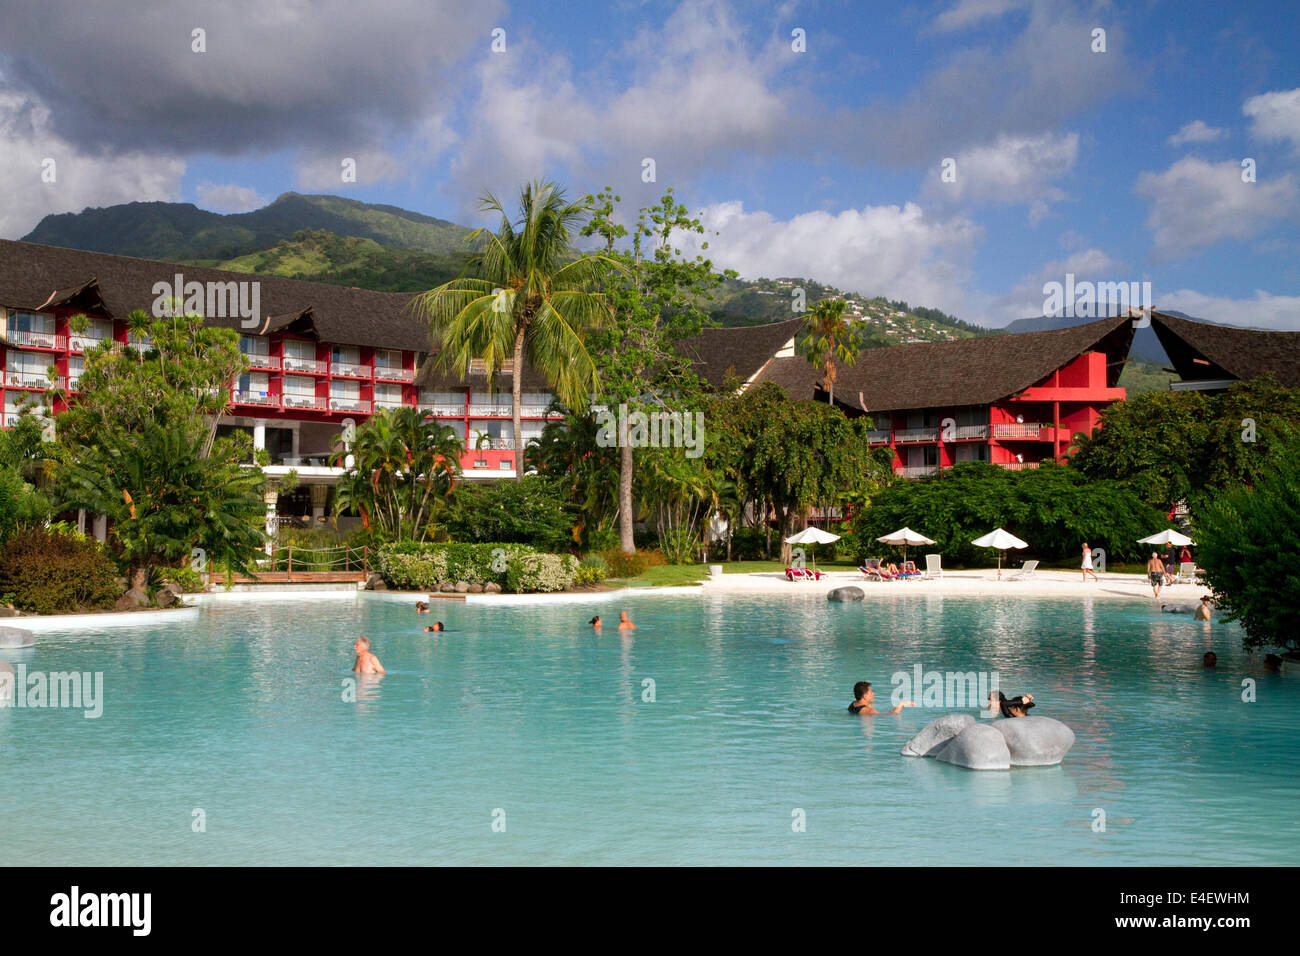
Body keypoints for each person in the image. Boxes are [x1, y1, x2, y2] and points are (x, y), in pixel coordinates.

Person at [847, 681, 915, 715]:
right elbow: (889, 716)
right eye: (871, 692)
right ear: (864, 696)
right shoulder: (871, 711)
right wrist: (901, 704)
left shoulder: (853, 704)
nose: (873, 693)